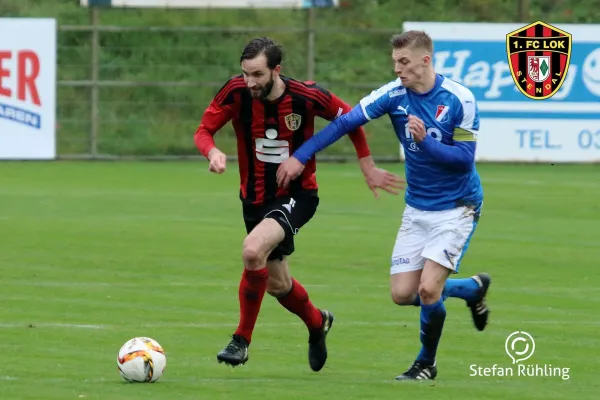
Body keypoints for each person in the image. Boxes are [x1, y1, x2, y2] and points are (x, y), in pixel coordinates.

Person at [276, 30, 492, 380]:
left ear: (426, 60)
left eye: (404, 62)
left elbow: (464, 160)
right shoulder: (393, 96)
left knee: (427, 288)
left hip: (457, 206)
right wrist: (300, 156)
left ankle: (426, 363)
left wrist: (425, 142)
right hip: (417, 208)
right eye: (394, 62)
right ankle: (471, 289)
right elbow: (345, 122)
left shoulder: (459, 99)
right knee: (403, 294)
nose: (398, 69)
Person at [194, 37, 403, 372]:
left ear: (277, 70)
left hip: (298, 195)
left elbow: (350, 120)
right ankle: (317, 322)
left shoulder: (307, 96)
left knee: (251, 251)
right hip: (254, 198)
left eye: (258, 75)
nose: (250, 82)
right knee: (277, 284)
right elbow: (204, 130)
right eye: (246, 74)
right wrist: (212, 151)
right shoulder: (235, 92)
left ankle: (241, 341)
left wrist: (368, 166)